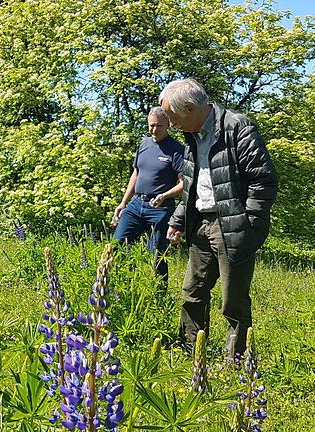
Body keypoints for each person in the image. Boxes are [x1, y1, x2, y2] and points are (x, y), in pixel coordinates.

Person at [160, 78, 277, 358]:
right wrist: (178, 218)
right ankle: (190, 353)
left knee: (232, 302)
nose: (172, 125)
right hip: (199, 222)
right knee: (192, 292)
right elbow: (194, 182)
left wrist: (249, 224)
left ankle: (235, 363)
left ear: (189, 108)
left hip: (232, 226)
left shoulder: (238, 127)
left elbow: (264, 181)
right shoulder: (191, 135)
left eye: (174, 117)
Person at [112, 107, 184, 287]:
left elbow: (185, 183)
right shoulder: (143, 144)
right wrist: (123, 203)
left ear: (168, 125)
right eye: (151, 125)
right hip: (136, 205)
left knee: (157, 255)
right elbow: (135, 174)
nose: (154, 130)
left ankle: (160, 297)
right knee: (117, 247)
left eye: (159, 126)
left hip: (160, 209)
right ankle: (125, 288)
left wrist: (165, 195)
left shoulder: (176, 149)